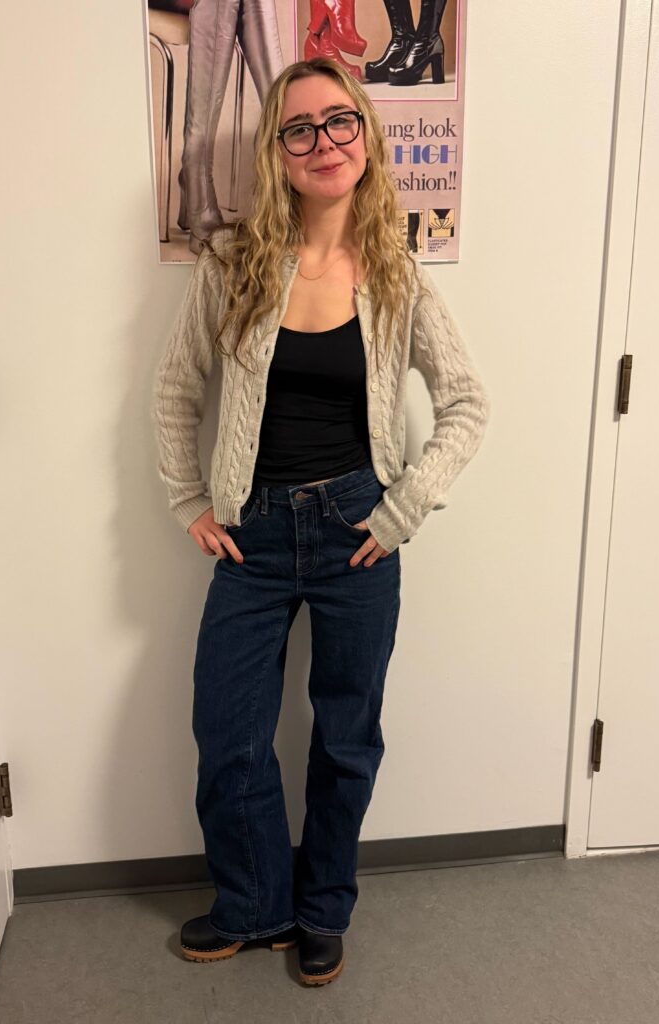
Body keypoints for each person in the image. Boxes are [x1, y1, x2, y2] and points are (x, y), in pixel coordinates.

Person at [151, 56, 490, 986]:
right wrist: (188, 499)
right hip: (251, 536)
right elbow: (178, 389)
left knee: (345, 739)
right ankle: (252, 905)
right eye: (298, 128)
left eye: (338, 122)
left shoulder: (394, 272)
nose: (322, 142)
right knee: (228, 734)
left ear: (366, 137)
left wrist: (404, 507)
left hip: (356, 533)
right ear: (277, 151)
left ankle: (320, 910)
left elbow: (466, 402)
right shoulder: (233, 262)